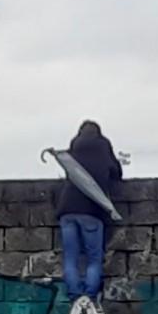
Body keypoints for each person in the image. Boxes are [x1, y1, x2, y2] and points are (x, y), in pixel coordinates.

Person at [55, 119, 124, 299]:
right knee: (94, 259)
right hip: (91, 210)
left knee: (71, 258)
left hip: (67, 210)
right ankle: (90, 297)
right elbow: (117, 172)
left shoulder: (74, 146)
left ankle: (74, 294)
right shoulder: (103, 145)